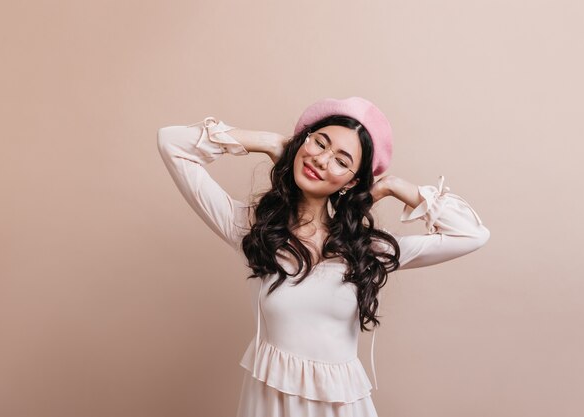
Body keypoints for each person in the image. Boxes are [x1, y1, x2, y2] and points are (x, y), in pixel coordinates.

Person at [156, 96, 490, 417]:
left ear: (351, 182)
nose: (321, 159)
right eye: (320, 143)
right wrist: (269, 142)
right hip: (269, 403)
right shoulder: (252, 229)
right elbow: (171, 142)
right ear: (302, 142)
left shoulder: (366, 248)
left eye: (342, 161)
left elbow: (472, 234)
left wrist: (392, 186)